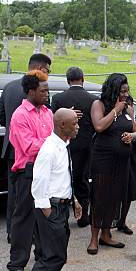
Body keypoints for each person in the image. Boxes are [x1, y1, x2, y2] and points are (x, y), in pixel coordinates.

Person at [12, 108, 82, 271]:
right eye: (74, 123)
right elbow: (39, 184)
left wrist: (74, 201)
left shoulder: (64, 146)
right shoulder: (49, 149)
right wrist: (48, 211)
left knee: (49, 254)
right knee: (54, 256)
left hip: (61, 205)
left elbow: (63, 179)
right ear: (62, 126)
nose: (78, 127)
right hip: (50, 209)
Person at [0, 53, 51, 243]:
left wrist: (13, 132)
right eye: (47, 71)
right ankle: (30, 233)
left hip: (11, 149)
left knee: (14, 194)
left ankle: (12, 231)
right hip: (31, 152)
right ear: (41, 69)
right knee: (32, 194)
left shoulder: (9, 86)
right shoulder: (39, 92)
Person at [6, 70, 54, 271]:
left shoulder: (47, 113)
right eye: (43, 90)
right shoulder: (20, 115)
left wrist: (53, 144)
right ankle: (17, 263)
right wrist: (53, 145)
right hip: (28, 172)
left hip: (47, 172)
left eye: (48, 90)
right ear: (31, 91)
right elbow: (29, 147)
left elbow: (55, 139)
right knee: (24, 219)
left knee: (45, 217)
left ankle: (42, 257)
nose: (47, 94)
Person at [87, 73, 136, 255]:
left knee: (114, 198)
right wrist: (116, 109)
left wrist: (133, 134)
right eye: (122, 91)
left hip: (122, 162)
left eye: (127, 91)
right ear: (113, 90)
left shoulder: (127, 109)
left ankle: (106, 234)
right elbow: (99, 126)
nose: (125, 94)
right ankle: (94, 238)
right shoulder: (98, 105)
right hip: (103, 160)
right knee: (100, 197)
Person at [51, 66, 96, 227]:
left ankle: (61, 215)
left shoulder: (58, 99)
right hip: (85, 146)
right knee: (82, 179)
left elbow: (53, 122)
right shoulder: (92, 100)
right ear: (82, 79)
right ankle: (84, 217)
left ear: (68, 80)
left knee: (63, 178)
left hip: (64, 145)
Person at [113, 121, 136, 235]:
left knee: (129, 189)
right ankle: (112, 219)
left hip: (130, 157)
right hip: (115, 157)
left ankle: (122, 222)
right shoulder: (113, 114)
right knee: (115, 189)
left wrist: (132, 121)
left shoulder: (130, 119)